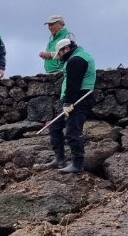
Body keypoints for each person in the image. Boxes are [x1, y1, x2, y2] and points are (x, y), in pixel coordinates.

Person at [39, 37, 96, 174]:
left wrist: (68, 103)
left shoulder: (77, 60)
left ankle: (77, 163)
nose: (60, 56)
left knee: (72, 131)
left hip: (80, 98)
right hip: (71, 98)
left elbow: (73, 83)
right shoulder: (76, 56)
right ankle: (59, 158)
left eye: (60, 53)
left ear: (66, 49)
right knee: (55, 126)